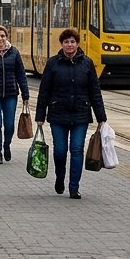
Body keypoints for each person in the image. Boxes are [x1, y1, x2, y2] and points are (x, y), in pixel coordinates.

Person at [34, 28, 107, 200]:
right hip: (58, 113)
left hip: (80, 113)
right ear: (62, 44)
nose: (69, 45)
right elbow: (44, 90)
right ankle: (60, 177)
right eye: (66, 42)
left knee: (77, 149)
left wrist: (101, 118)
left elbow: (95, 92)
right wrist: (39, 115)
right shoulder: (53, 63)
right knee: (60, 150)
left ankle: (74, 187)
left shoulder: (87, 63)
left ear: (77, 44)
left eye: (72, 42)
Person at [0, 25, 30, 165]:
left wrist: (25, 94)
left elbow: (21, 74)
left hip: (11, 94)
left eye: (2, 36)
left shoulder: (14, 52)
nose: (0, 39)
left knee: (9, 125)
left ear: (6, 37)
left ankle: (7, 145)